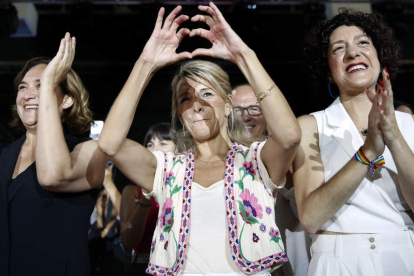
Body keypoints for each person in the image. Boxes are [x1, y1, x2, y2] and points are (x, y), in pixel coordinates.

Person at [98, 3, 301, 275]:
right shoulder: (167, 169)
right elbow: (110, 143)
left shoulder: (255, 160)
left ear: (228, 105)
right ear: (179, 114)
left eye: (207, 94)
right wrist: (145, 65)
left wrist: (243, 55)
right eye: (185, 98)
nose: (196, 104)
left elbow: (289, 136)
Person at [294, 9, 414, 275]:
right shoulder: (311, 126)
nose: (353, 53)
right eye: (339, 48)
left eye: (363, 43)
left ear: (379, 55)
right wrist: (367, 151)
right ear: (327, 68)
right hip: (338, 260)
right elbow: (311, 218)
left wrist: (393, 138)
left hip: (404, 257)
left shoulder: (410, 126)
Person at [0, 33, 107, 276]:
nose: (28, 94)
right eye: (23, 87)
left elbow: (54, 175)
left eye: (43, 85)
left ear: (67, 99)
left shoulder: (86, 152)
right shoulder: (4, 155)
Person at [233, 85, 311, 276]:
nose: (246, 116)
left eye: (254, 108)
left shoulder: (291, 158)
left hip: (291, 264)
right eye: (238, 110)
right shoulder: (218, 162)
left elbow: (305, 212)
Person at [120, 123, 176, 275]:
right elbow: (130, 241)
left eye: (163, 143)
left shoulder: (185, 188)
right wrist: (146, 197)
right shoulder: (132, 191)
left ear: (178, 149)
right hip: (143, 266)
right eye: (150, 144)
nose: (155, 149)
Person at [89, 164, 127, 276]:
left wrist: (109, 183)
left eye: (111, 200)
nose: (107, 203)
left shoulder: (122, 230)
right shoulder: (88, 230)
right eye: (104, 198)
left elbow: (124, 213)